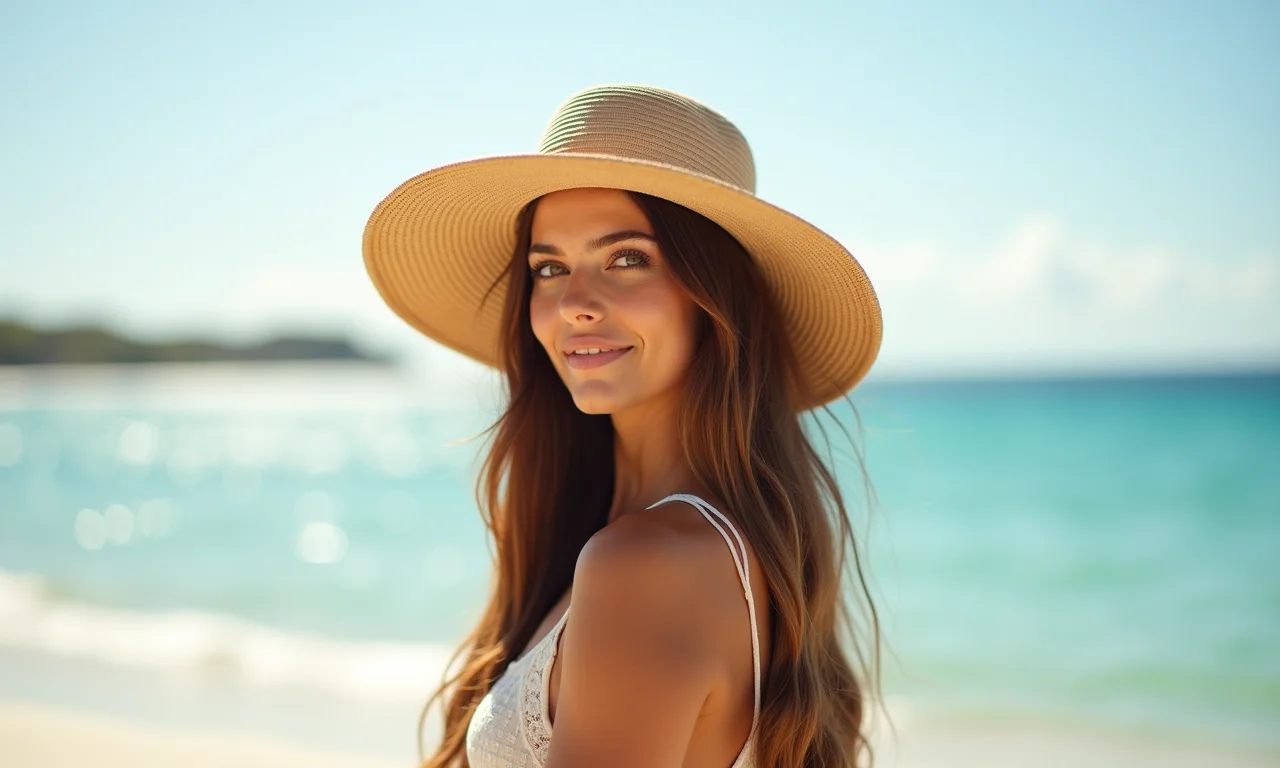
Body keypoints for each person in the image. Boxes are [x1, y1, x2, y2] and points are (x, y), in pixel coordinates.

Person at [362, 84, 883, 768]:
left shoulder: (647, 564)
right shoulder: (694, 545)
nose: (573, 303)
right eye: (549, 268)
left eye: (628, 258)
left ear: (715, 296)